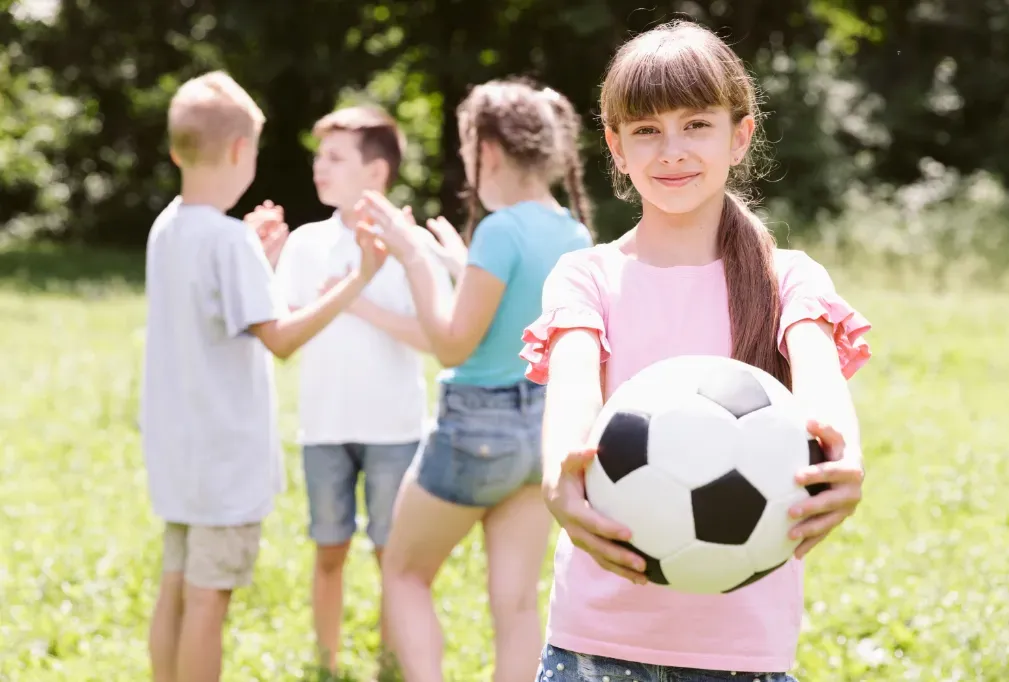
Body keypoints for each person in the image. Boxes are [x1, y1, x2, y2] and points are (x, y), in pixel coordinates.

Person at [518, 20, 873, 682]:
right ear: (615, 148)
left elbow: (822, 385)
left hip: (744, 654)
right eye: (646, 130)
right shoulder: (585, 277)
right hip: (595, 647)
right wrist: (557, 472)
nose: (671, 150)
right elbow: (571, 393)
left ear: (739, 136)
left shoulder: (787, 278)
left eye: (696, 125)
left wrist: (843, 456)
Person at [141, 72, 387, 682]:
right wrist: (360, 279)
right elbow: (279, 338)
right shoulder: (228, 243)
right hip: (224, 460)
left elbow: (217, 304)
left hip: (176, 454)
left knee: (174, 586)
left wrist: (257, 256)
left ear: (177, 151)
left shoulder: (168, 227)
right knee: (208, 601)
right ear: (239, 152)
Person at [355, 79, 595, 682]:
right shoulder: (572, 232)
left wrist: (412, 259)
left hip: (475, 432)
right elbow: (515, 314)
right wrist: (454, 264)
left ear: (486, 151)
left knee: (405, 573)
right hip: (538, 432)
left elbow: (452, 343)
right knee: (514, 602)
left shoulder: (500, 230)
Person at [244, 105, 453, 677]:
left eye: (335, 157)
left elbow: (434, 338)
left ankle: (392, 657)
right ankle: (327, 660)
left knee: (394, 555)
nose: (320, 167)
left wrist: (359, 300)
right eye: (320, 156)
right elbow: (282, 324)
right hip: (324, 426)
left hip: (394, 427)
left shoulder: (413, 248)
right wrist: (262, 262)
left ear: (377, 172)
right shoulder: (307, 244)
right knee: (329, 550)